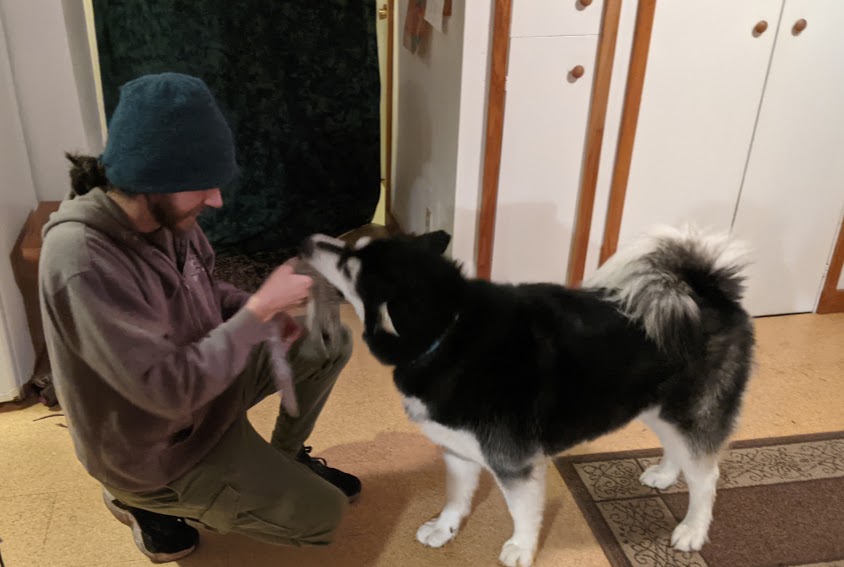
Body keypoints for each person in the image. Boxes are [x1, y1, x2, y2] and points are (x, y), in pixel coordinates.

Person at [39, 72, 360, 563]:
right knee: (324, 517)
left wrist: (256, 312)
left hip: (203, 396)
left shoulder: (167, 217)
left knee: (326, 340)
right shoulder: (81, 260)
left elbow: (204, 288)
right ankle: (142, 502)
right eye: (201, 185)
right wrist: (257, 311)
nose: (216, 199)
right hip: (155, 449)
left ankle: (286, 458)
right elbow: (165, 391)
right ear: (150, 180)